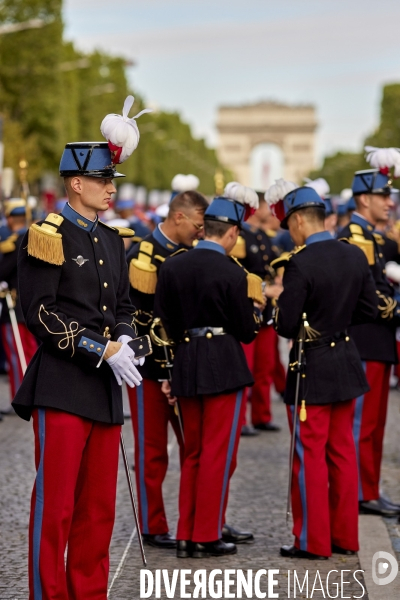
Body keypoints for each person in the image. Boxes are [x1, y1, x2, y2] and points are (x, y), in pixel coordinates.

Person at [12, 97, 148, 598]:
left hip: (106, 390)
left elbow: (126, 306)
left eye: (112, 180)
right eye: (103, 181)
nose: (112, 189)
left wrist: (129, 341)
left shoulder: (113, 240)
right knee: (57, 507)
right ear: (76, 183)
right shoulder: (46, 235)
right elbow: (42, 314)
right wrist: (101, 349)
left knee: (97, 509)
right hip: (64, 385)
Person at [265, 181, 377, 559]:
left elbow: (284, 325)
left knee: (309, 454)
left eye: (290, 226)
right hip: (345, 361)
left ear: (298, 221)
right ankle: (346, 538)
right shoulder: (353, 255)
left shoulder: (300, 263)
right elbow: (369, 311)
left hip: (312, 366)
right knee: (343, 452)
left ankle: (312, 541)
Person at [154, 189, 263, 558]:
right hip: (222, 363)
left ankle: (185, 534)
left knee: (194, 453)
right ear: (231, 233)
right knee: (218, 452)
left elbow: (165, 319)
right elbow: (247, 331)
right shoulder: (233, 273)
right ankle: (206, 534)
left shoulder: (171, 266)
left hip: (185, 360)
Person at [126, 190, 208, 548]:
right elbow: (138, 320)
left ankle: (205, 523)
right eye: (198, 225)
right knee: (152, 449)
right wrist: (162, 372)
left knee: (199, 448)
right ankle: (152, 523)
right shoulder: (142, 255)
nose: (201, 232)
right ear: (179, 217)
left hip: (188, 367)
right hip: (149, 369)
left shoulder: (194, 255)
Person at [339, 149, 400, 516]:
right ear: (364, 198)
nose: (390, 203)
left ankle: (370, 487)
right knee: (363, 424)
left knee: (375, 425)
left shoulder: (373, 238)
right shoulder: (357, 237)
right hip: (364, 338)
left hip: (377, 341)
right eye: (383, 197)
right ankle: (361, 490)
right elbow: (369, 296)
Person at [230, 197, 282, 434]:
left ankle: (262, 415)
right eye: (263, 205)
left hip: (266, 309)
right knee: (245, 367)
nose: (267, 210)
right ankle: (241, 420)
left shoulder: (262, 236)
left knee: (265, 367)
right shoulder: (240, 237)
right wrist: (264, 290)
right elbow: (237, 276)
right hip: (247, 307)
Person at [0, 199, 38, 401]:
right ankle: (34, 392)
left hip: (13, 305)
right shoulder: (37, 238)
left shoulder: (14, 243)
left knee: (16, 353)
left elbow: (2, 272)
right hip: (32, 305)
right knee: (30, 351)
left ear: (9, 218)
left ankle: (19, 395)